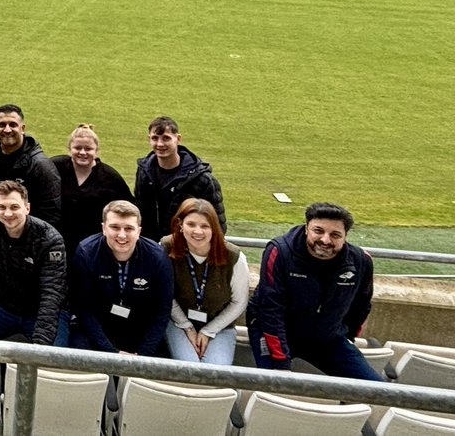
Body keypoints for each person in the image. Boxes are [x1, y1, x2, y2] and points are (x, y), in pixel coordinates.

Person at [246, 202, 382, 381]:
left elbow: (361, 306)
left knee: (378, 390)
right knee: (277, 389)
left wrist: (347, 337)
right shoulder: (279, 251)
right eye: (318, 231)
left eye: (335, 235)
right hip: (277, 334)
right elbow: (270, 308)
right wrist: (281, 361)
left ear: (345, 237)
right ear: (306, 229)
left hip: (328, 339)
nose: (325, 240)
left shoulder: (361, 261)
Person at [0, 180, 66, 392]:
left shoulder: (50, 239)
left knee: (54, 361)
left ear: (27, 207)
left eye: (15, 207)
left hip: (42, 310)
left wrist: (40, 349)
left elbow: (51, 295)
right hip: (3, 305)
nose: (8, 213)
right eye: (2, 207)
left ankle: (20, 381)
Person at [68, 200, 173, 356]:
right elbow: (84, 309)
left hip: (139, 329)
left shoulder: (157, 257)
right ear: (104, 228)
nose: (122, 235)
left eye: (129, 228)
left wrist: (143, 354)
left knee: (158, 373)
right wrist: (111, 352)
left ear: (139, 231)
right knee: (86, 366)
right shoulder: (86, 253)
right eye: (115, 227)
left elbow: (162, 312)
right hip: (97, 329)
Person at [161, 199, 249, 365]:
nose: (197, 231)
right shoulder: (167, 247)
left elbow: (239, 302)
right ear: (180, 225)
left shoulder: (233, 257)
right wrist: (187, 326)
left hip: (219, 325)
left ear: (214, 229)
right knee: (189, 366)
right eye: (191, 224)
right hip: (178, 322)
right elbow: (165, 294)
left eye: (205, 226)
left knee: (216, 372)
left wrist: (209, 331)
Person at [134, 116, 225, 241]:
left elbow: (217, 225)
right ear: (149, 139)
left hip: (184, 250)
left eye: (166, 138)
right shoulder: (143, 172)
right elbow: (139, 211)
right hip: (151, 249)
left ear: (178, 139)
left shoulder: (202, 180)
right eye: (155, 138)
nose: (160, 144)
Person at [52, 124, 133, 253]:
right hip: (57, 242)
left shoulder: (110, 177)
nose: (83, 153)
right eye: (77, 148)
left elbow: (129, 209)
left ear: (97, 151)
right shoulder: (55, 167)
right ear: (69, 149)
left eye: (88, 149)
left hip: (93, 247)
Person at [0, 104, 61, 232]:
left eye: (13, 124)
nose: (7, 130)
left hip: (26, 238)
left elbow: (50, 214)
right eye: (2, 125)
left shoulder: (41, 166)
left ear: (22, 128)